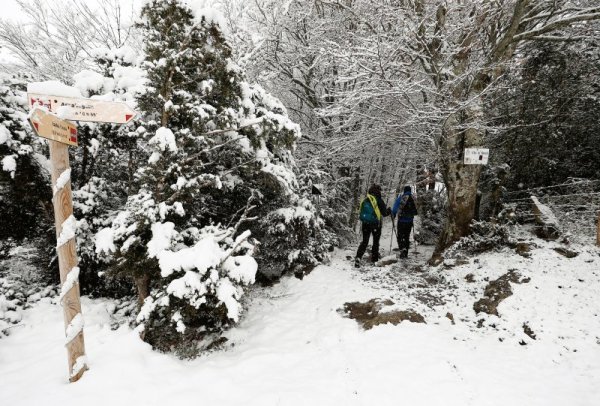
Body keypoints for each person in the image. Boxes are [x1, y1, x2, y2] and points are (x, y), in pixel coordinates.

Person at [355, 184, 390, 267]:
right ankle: (374, 259)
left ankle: (358, 257)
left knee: (365, 241)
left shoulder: (366, 199)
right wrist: (389, 210)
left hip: (365, 223)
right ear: (378, 191)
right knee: (375, 242)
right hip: (375, 224)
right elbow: (384, 214)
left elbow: (359, 210)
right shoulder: (379, 200)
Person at [392, 185, 418, 258]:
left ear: (404, 190)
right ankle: (405, 252)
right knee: (407, 236)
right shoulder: (414, 198)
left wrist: (393, 215)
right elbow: (417, 208)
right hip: (410, 221)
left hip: (401, 220)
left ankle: (402, 249)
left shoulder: (401, 198)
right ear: (410, 190)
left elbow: (395, 208)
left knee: (400, 236)